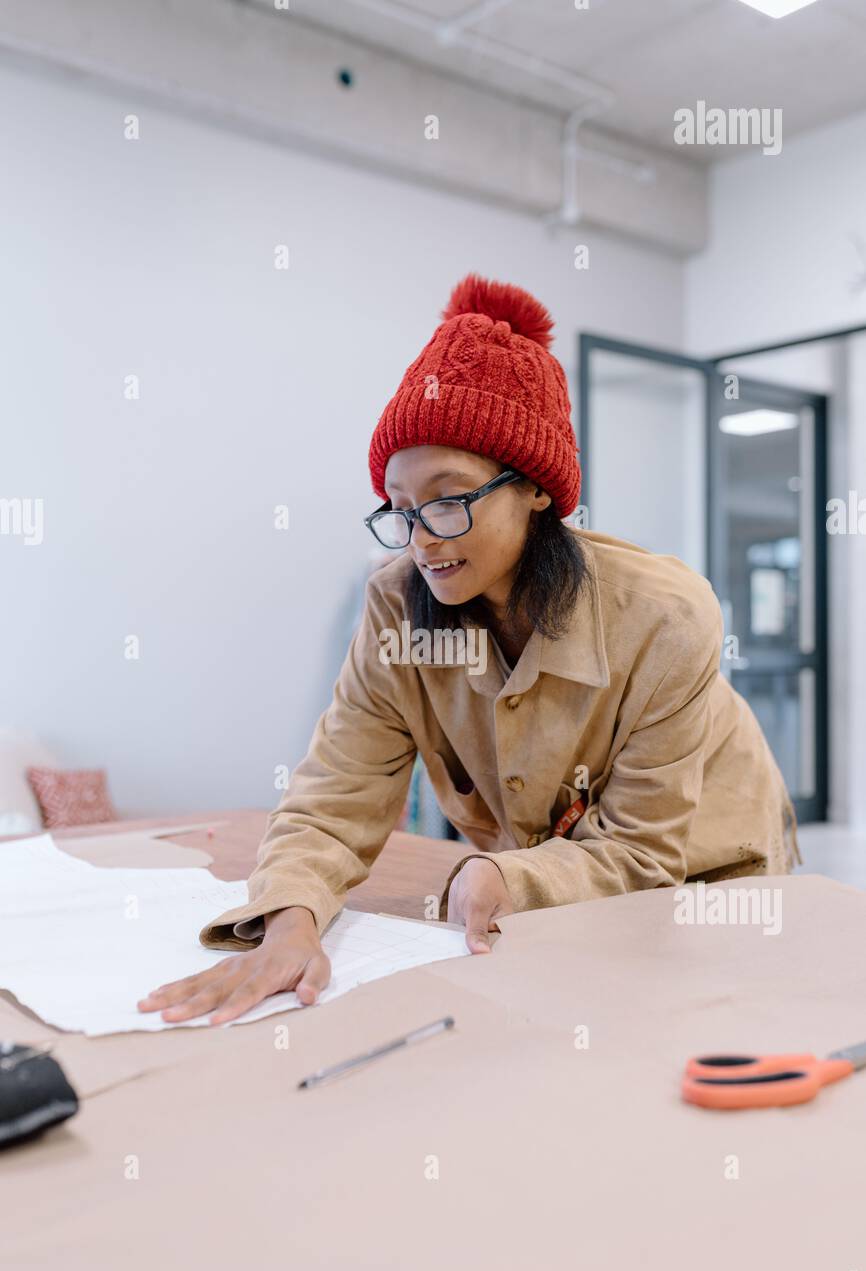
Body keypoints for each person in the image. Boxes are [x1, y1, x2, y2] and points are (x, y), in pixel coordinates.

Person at [138, 273, 799, 1026]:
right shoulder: (396, 604)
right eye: (400, 507)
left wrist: (510, 876)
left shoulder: (663, 618)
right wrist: (291, 921)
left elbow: (644, 856)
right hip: (554, 885)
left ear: (537, 490)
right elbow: (334, 797)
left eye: (449, 501)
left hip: (716, 874)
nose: (420, 539)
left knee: (693, 1043)